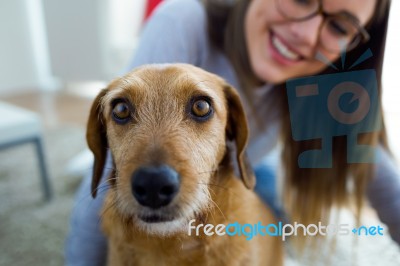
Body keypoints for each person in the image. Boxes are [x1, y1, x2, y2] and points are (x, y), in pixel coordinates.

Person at [65, 0, 399, 264]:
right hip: (223, 171)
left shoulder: (323, 84)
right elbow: (115, 172)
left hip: (242, 173)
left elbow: (382, 180)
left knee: (273, 213)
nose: (307, 34)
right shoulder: (184, 21)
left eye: (339, 26)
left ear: (351, 44)